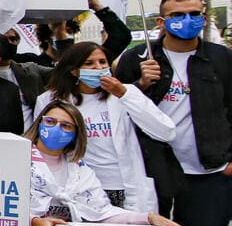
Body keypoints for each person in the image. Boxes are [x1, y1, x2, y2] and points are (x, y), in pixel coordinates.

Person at [114, 0, 232, 226]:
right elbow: (118, 111)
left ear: (204, 17)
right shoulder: (137, 58)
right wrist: (141, 85)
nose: (187, 20)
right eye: (178, 15)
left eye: (194, 14)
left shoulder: (221, 57)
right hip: (153, 168)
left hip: (209, 170)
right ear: (161, 21)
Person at [26, 100, 184, 226]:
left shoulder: (79, 169)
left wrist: (148, 218)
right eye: (50, 122)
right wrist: (34, 223)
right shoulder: (19, 156)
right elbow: (4, 211)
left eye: (66, 126)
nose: (56, 128)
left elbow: (101, 212)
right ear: (39, 122)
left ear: (75, 134)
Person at [35, 42, 174, 212]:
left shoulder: (125, 93)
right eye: (89, 63)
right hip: (79, 187)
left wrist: (124, 94)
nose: (98, 67)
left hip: (124, 186)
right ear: (74, 70)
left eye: (102, 62)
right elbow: (40, 146)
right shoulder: (50, 100)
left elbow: (166, 132)